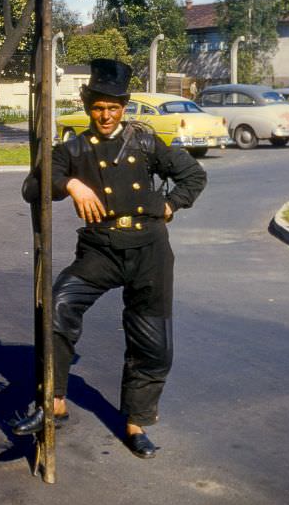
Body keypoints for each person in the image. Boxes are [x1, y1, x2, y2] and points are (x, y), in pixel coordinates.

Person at [14, 58, 207, 459]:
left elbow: (193, 176)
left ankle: (136, 424)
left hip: (149, 251)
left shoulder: (144, 140)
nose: (106, 115)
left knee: (151, 341)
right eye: (99, 107)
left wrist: (171, 205)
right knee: (59, 306)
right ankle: (55, 403)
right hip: (100, 249)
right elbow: (33, 188)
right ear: (89, 107)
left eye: (114, 107)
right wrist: (70, 183)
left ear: (124, 108)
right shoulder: (74, 148)